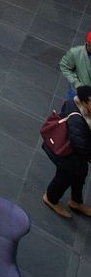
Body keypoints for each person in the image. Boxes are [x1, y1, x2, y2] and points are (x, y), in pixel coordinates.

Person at [42, 86, 91, 219]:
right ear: (85, 103)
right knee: (64, 178)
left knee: (79, 176)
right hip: (66, 154)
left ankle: (76, 202)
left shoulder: (75, 104)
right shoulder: (77, 120)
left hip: (74, 156)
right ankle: (50, 199)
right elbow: (81, 145)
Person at [59, 33, 91, 98]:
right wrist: (76, 83)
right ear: (88, 43)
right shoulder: (75, 52)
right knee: (71, 107)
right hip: (77, 92)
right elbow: (64, 66)